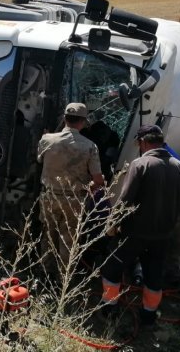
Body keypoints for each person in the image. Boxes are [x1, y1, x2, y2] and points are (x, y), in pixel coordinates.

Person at [100, 125, 180, 325]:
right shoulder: (178, 165)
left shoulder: (140, 164)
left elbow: (125, 199)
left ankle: (109, 307)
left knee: (113, 267)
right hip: (163, 234)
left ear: (144, 143)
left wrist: (111, 225)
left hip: (134, 232)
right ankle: (149, 313)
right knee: (154, 272)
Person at [37, 102, 105, 275]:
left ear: (65, 118)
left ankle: (44, 276)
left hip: (49, 197)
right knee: (68, 241)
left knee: (47, 237)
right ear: (83, 122)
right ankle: (64, 283)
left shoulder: (46, 140)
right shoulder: (90, 146)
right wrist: (87, 187)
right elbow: (98, 180)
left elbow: (39, 161)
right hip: (74, 200)